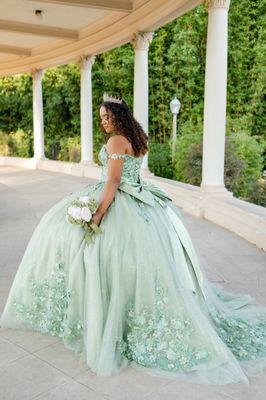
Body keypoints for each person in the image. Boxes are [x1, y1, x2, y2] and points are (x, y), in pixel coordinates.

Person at [1, 93, 266, 386]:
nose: (102, 122)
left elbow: (113, 181)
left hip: (119, 198)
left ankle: (99, 312)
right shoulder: (137, 138)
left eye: (106, 116)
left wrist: (99, 213)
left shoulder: (116, 141)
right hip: (141, 200)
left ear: (118, 115)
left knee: (81, 244)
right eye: (100, 118)